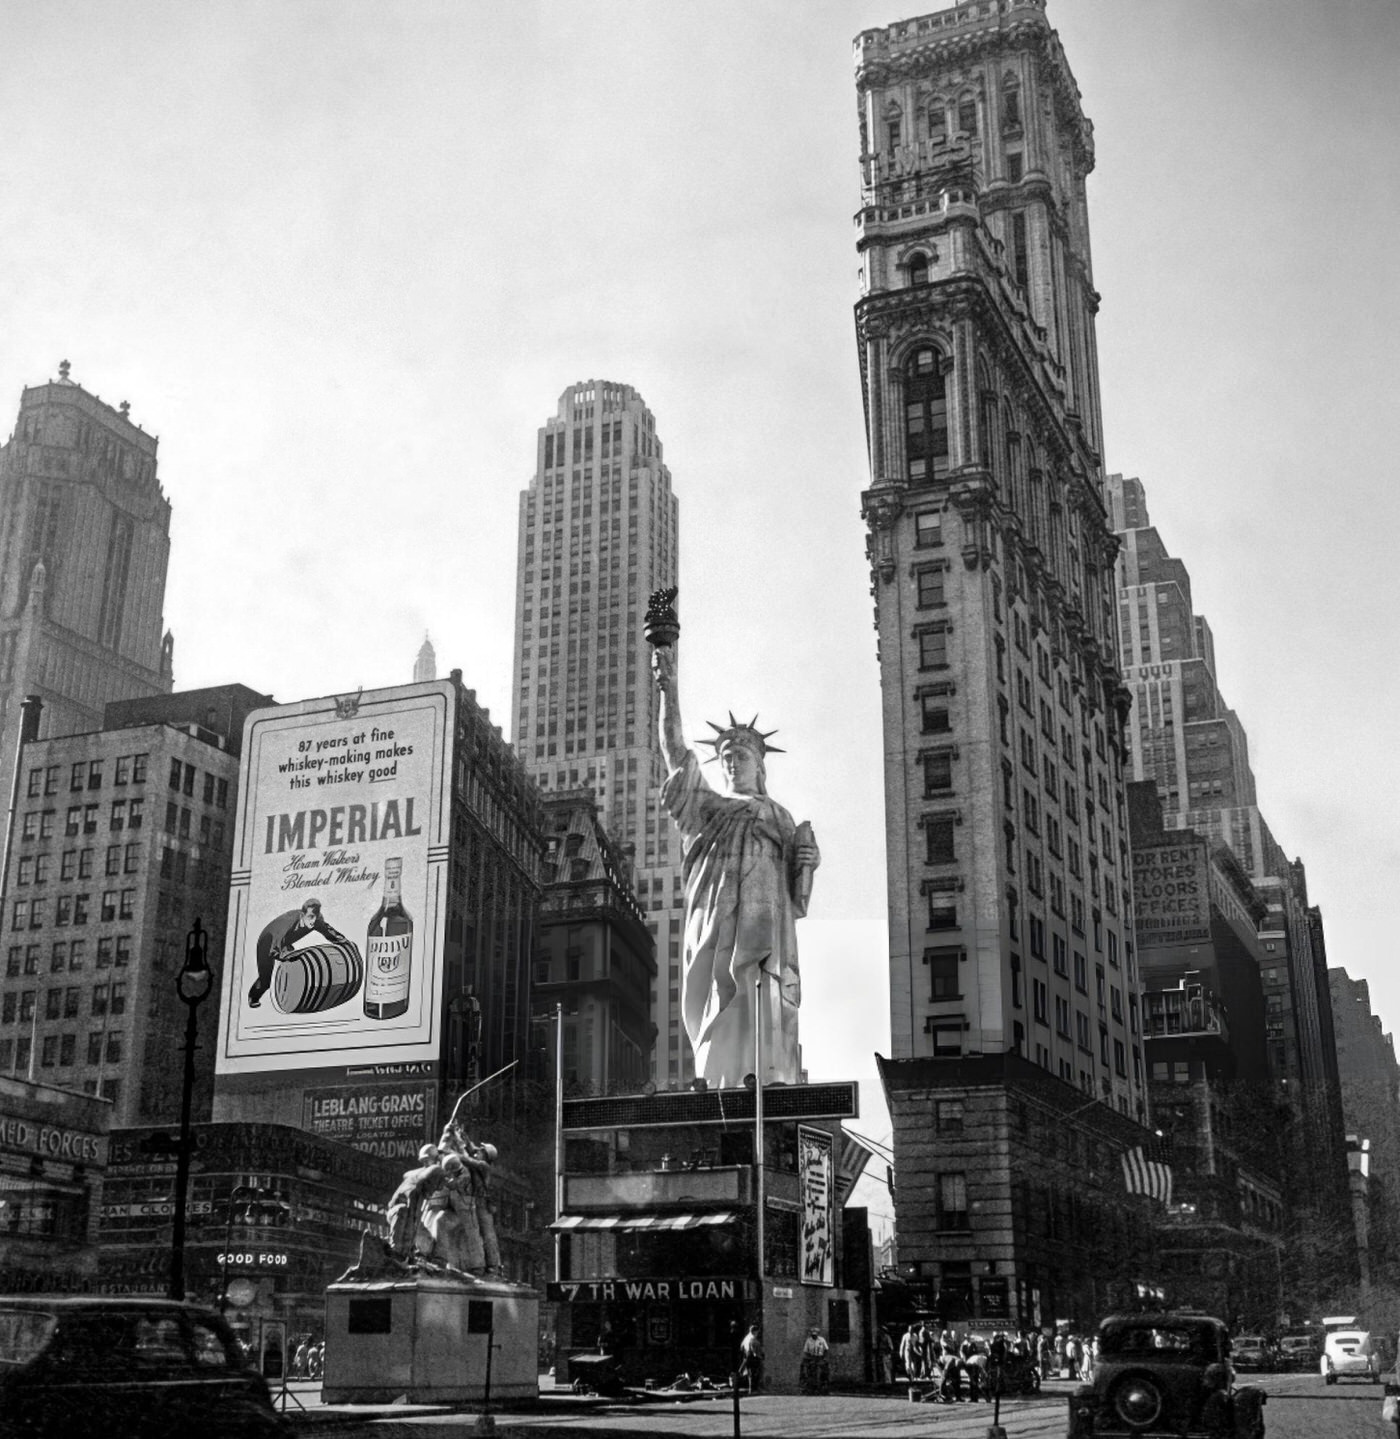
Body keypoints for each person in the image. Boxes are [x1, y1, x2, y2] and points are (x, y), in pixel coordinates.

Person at [652, 641, 819, 1087]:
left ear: (760, 765)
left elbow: (797, 897)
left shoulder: (780, 817)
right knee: (721, 996)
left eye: (740, 756)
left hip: (767, 931)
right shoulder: (708, 808)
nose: (731, 763)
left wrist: (807, 862)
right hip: (718, 925)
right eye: (725, 757)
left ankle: (770, 1074)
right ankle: (722, 1077)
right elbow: (675, 753)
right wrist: (668, 689)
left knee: (766, 992)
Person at [248, 898, 352, 1007]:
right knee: (266, 979)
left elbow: (328, 931)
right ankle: (253, 997)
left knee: (291, 968)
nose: (313, 921)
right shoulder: (287, 921)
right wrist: (284, 956)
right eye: (310, 917)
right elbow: (274, 947)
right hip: (268, 941)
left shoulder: (316, 920)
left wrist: (344, 942)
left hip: (285, 941)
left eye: (315, 917)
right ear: (302, 915)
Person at [800, 1327, 830, 1394]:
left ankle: (823, 1386)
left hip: (820, 1357)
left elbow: (826, 1349)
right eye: (813, 1335)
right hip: (812, 1357)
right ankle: (810, 1387)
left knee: (824, 1371)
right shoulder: (808, 1340)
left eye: (815, 1335)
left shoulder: (822, 1340)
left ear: (818, 1334)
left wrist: (824, 1358)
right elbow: (806, 1351)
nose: (814, 1336)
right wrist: (810, 1358)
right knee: (810, 1371)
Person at [738, 1324, 764, 1393]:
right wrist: (758, 1356)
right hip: (753, 1358)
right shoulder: (752, 1338)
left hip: (746, 1357)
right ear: (755, 1331)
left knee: (749, 1374)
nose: (758, 1333)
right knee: (755, 1373)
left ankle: (751, 1389)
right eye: (757, 1331)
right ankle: (754, 1389)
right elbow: (754, 1350)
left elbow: (741, 1347)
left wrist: (745, 1353)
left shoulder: (746, 1337)